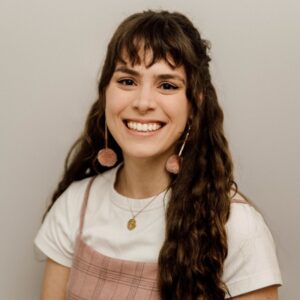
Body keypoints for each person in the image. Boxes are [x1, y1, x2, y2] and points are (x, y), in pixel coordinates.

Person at [35, 10, 282, 300]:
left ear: (195, 103)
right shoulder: (74, 206)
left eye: (167, 85)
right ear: (105, 93)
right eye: (127, 81)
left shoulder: (237, 226)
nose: (143, 102)